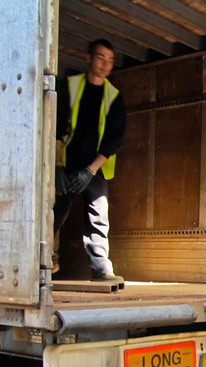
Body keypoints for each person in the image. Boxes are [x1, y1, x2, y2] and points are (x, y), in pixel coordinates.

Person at [53, 39, 126, 281]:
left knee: (98, 215)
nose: (105, 64)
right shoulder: (69, 87)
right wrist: (58, 168)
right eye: (100, 57)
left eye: (110, 60)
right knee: (52, 214)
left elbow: (113, 140)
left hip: (94, 169)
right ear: (88, 58)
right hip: (66, 164)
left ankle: (101, 269)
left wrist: (90, 171)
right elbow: (57, 127)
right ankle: (37, 267)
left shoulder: (113, 97)